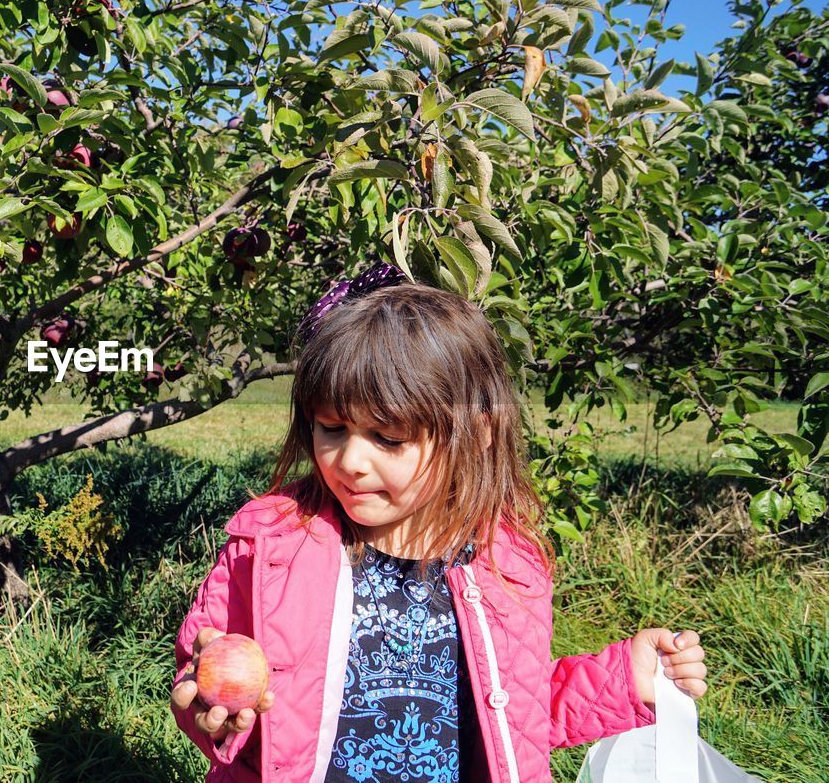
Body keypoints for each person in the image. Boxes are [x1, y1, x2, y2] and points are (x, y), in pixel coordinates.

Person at [169, 262, 708, 782]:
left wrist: (622, 682)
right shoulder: (271, 546)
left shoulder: (505, 565)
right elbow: (207, 675)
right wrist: (215, 718)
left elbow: (509, 712)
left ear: (477, 434)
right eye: (330, 428)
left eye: (388, 438)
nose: (350, 460)